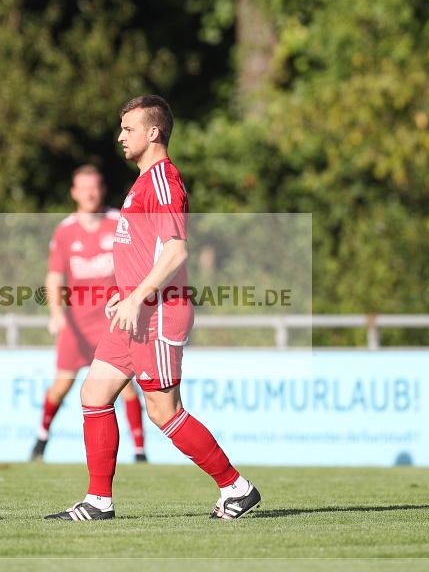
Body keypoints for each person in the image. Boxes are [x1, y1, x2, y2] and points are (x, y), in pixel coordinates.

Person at [46, 95, 260, 521]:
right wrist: (123, 293)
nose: (120, 137)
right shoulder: (143, 183)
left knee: (164, 411)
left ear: (153, 132)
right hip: (134, 313)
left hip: (159, 313)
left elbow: (176, 251)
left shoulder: (164, 180)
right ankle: (98, 502)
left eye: (129, 129)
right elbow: (145, 251)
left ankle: (237, 488)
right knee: (94, 393)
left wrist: (137, 295)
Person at [31, 165, 147, 463]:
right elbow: (54, 277)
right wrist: (56, 314)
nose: (90, 193)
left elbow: (138, 264)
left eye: (94, 187)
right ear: (74, 193)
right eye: (84, 188)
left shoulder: (118, 223)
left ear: (102, 189)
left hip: (112, 322)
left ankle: (139, 451)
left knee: (125, 387)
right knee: (61, 386)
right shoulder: (65, 230)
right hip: (76, 325)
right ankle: (41, 440)